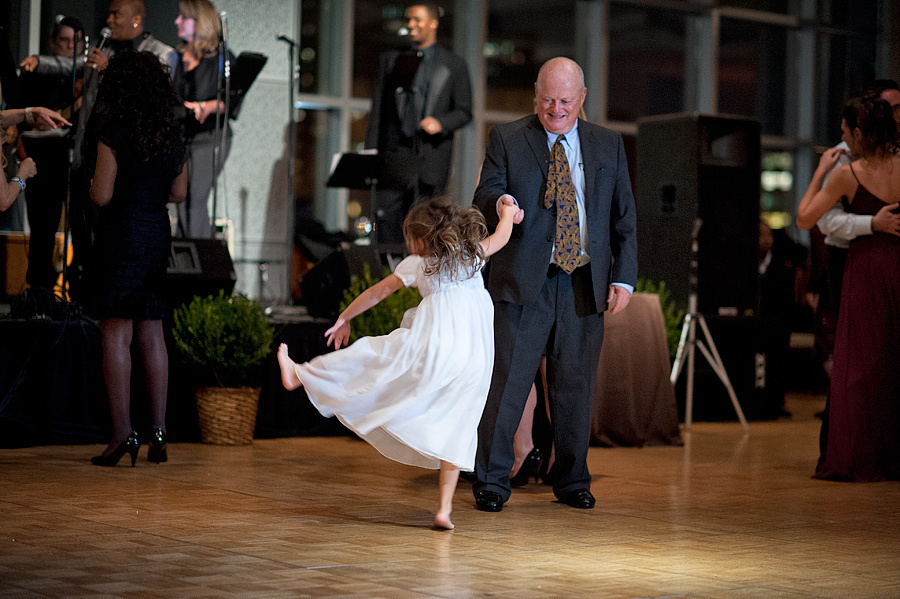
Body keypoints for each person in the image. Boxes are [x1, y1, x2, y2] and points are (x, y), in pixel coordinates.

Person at [278, 196, 523, 530]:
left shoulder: (419, 263)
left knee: (375, 357)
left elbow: (378, 292)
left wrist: (345, 317)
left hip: (435, 347)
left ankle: (301, 374)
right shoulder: (472, 255)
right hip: (474, 359)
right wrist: (508, 212)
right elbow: (503, 235)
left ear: (422, 239)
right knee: (458, 425)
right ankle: (444, 510)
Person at [472, 57, 638, 512]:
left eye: (566, 100)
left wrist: (623, 277)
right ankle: (491, 481)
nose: (556, 108)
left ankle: (571, 481)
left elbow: (623, 217)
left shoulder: (608, 144)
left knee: (574, 387)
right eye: (548, 99)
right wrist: (501, 200)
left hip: (584, 280)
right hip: (524, 279)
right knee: (506, 385)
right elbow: (485, 194)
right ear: (535, 94)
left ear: (581, 99)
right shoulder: (507, 137)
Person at [88, 51, 187, 467]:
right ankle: (159, 432)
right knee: (152, 332)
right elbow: (179, 194)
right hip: (156, 231)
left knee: (116, 333)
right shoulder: (172, 133)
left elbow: (101, 194)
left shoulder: (114, 130)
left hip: (122, 231)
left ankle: (122, 434)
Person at [796, 94, 900, 482]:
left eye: (844, 131)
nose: (841, 139)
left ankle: (857, 457)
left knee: (858, 365)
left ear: (858, 133)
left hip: (867, 271)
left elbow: (805, 218)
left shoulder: (847, 173)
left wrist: (820, 171)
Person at [365, 3, 472, 244]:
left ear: (433, 23)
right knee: (388, 224)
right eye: (409, 19)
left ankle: (419, 280)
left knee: (425, 226)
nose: (411, 25)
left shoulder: (454, 65)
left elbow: (465, 111)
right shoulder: (391, 59)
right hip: (394, 156)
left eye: (417, 20)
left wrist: (440, 123)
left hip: (430, 157)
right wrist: (372, 155)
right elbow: (378, 110)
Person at [18, 17, 87, 291]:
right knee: (43, 227)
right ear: (53, 42)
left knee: (80, 223)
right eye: (65, 41)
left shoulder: (87, 73)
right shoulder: (34, 72)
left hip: (74, 157)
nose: (71, 46)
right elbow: (20, 117)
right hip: (41, 156)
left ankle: (77, 286)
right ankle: (40, 291)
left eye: (76, 41)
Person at [173, 0, 234, 239]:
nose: (177, 21)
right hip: (183, 136)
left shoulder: (222, 58)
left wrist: (207, 106)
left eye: (183, 17)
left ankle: (199, 262)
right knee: (180, 199)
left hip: (210, 138)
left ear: (200, 22)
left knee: (195, 197)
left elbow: (232, 100)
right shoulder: (176, 57)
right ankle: (184, 257)